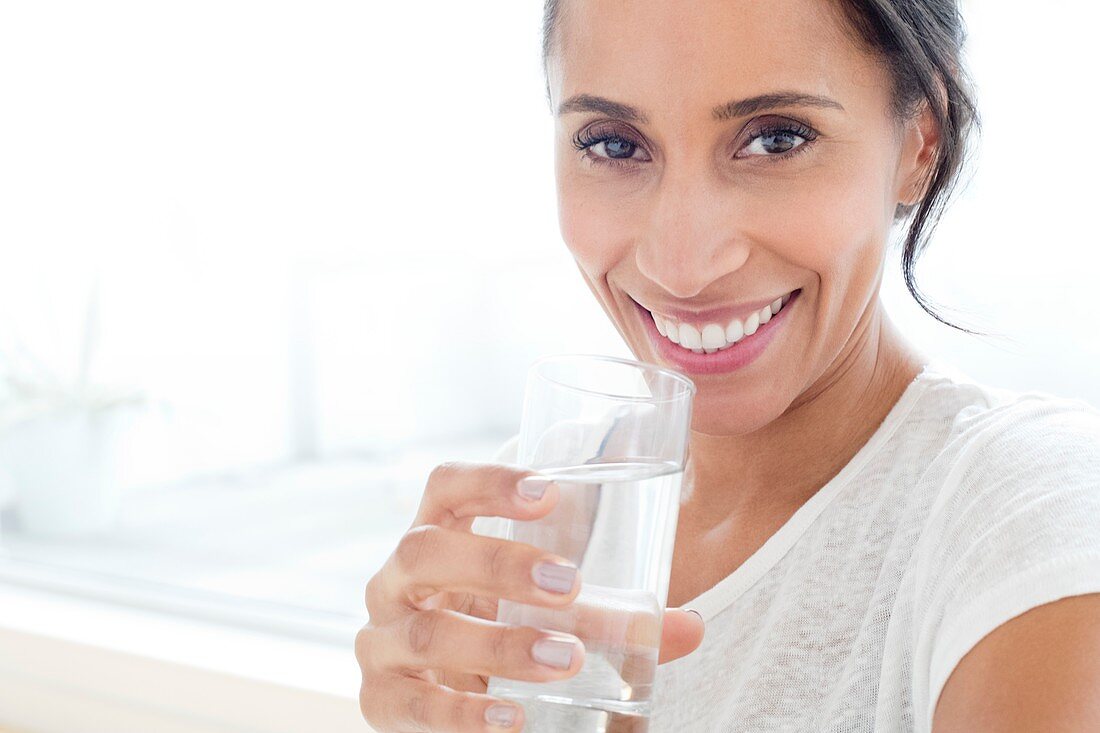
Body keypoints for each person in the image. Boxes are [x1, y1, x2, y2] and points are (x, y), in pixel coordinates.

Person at [355, 0, 1100, 730]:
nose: (681, 264)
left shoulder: (1032, 518)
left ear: (919, 144)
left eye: (776, 139)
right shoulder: (533, 518)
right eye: (614, 145)